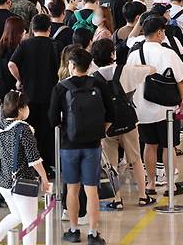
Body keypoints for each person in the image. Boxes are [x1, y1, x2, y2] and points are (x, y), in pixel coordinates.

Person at [49, 48, 114, 245]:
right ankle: (94, 233)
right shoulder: (99, 84)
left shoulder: (61, 87)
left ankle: (74, 229)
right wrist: (99, 131)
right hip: (93, 145)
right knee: (91, 189)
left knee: (72, 189)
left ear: (71, 65)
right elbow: (111, 114)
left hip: (69, 145)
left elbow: (52, 119)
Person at [90, 39, 156, 209]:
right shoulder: (126, 71)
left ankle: (116, 199)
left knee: (110, 164)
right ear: (113, 54)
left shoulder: (93, 77)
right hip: (127, 121)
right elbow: (152, 70)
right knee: (135, 159)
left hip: (106, 125)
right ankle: (143, 196)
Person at [125, 16, 183, 195]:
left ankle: (151, 183)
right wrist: (181, 101)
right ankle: (170, 185)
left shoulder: (135, 53)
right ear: (159, 32)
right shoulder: (167, 53)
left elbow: (128, 81)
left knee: (149, 145)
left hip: (142, 109)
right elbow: (181, 81)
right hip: (166, 109)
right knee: (168, 146)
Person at [0, 91, 49, 245]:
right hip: (23, 183)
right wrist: (44, 178)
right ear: (20, 109)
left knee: (17, 215)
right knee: (30, 223)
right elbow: (34, 158)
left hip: (5, 182)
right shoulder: (24, 129)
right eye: (26, 106)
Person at [9, 14, 60, 170]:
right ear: (49, 29)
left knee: (30, 130)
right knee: (47, 130)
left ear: (32, 28)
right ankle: (48, 164)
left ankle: (31, 165)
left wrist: (20, 79)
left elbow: (11, 64)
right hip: (50, 95)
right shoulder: (56, 45)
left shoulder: (25, 45)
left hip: (29, 94)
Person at [0, 17, 26, 101]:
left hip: (2, 84)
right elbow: (13, 65)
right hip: (14, 84)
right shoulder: (18, 47)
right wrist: (19, 80)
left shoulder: (1, 45)